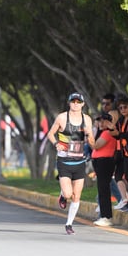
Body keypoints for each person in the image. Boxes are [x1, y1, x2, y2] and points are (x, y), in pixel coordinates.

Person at [47, 92, 95, 235]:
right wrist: (56, 144)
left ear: (82, 104)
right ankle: (62, 195)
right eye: (73, 101)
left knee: (76, 196)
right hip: (64, 161)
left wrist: (89, 135)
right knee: (68, 193)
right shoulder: (62, 118)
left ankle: (69, 224)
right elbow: (50, 134)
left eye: (78, 101)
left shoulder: (87, 120)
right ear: (69, 103)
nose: (75, 104)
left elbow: (92, 142)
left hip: (79, 161)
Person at [91, 113, 117, 226]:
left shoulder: (107, 133)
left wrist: (89, 136)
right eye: (99, 121)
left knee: (104, 190)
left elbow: (96, 145)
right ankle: (103, 215)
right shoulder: (102, 132)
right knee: (102, 189)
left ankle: (106, 217)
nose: (101, 123)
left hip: (105, 162)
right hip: (100, 162)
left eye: (103, 121)